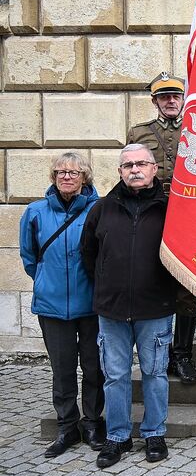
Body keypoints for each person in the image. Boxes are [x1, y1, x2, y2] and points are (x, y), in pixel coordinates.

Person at [80, 144, 178, 468]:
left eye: (141, 164)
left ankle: (154, 433)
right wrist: (108, 284)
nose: (135, 170)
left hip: (155, 307)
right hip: (112, 309)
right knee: (115, 376)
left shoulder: (170, 209)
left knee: (155, 373)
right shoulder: (102, 209)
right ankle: (118, 436)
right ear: (120, 171)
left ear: (154, 169)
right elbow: (88, 254)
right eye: (128, 165)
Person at [19, 153, 104, 458]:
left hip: (91, 304)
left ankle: (92, 422)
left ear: (85, 177)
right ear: (53, 176)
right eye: (60, 172)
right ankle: (67, 426)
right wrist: (47, 281)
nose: (66, 177)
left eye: (73, 172)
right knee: (62, 369)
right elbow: (29, 257)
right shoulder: (35, 212)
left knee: (94, 367)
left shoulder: (99, 209)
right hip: (52, 305)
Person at [126, 72, 196, 385]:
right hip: (152, 216)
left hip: (188, 218)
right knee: (153, 283)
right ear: (155, 101)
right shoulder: (139, 132)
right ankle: (159, 354)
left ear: (183, 99)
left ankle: (183, 355)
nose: (171, 101)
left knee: (187, 288)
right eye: (164, 96)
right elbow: (130, 172)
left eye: (175, 96)